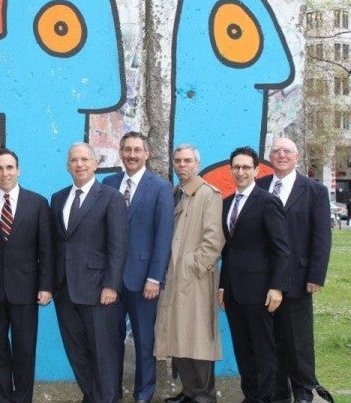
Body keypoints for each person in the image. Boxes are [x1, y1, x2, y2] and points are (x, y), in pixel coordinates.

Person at [50, 142, 128, 403]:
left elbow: (118, 245)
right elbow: (57, 244)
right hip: (65, 291)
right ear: (67, 166)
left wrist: (111, 286)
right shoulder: (58, 198)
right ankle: (92, 397)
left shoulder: (111, 197)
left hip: (98, 291)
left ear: (96, 163)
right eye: (74, 160)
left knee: (103, 354)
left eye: (85, 159)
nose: (79, 164)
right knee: (77, 353)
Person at [256, 138, 333, 403]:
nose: (281, 155)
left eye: (286, 151)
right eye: (276, 151)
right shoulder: (259, 186)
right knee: (271, 338)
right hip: (263, 278)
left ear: (297, 156)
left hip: (298, 278)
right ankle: (279, 393)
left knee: (297, 340)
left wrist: (316, 275)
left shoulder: (314, 191)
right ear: (269, 157)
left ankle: (303, 391)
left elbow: (322, 237)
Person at [0, 148, 53, 403]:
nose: (5, 173)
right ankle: (2, 399)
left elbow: (46, 249)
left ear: (18, 170)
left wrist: (46, 286)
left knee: (24, 352)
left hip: (26, 290)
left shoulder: (38, 203)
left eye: (9, 167)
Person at [103, 132, 174, 403]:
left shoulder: (160, 187)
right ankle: (112, 393)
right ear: (120, 153)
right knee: (111, 341)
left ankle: (143, 394)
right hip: (112, 280)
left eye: (137, 150)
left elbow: (163, 235)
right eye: (127, 150)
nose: (132, 155)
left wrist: (155, 277)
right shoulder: (108, 183)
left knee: (145, 341)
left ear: (147, 154)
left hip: (143, 279)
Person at [218, 146, 290, 403]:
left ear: (257, 170)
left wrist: (277, 287)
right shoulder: (226, 203)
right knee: (243, 350)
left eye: (246, 167)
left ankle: (264, 398)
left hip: (261, 291)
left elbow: (281, 249)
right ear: (231, 170)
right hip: (235, 292)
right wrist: (223, 286)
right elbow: (229, 250)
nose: (240, 172)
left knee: (263, 350)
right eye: (236, 167)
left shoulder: (268, 202)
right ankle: (250, 397)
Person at [155, 144, 225, 403]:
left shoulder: (208, 194)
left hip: (195, 278)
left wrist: (191, 266)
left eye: (187, 161)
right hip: (176, 278)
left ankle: (204, 394)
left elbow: (213, 240)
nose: (181, 165)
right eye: (178, 161)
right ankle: (189, 391)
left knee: (198, 338)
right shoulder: (177, 193)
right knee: (178, 335)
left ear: (197, 163)